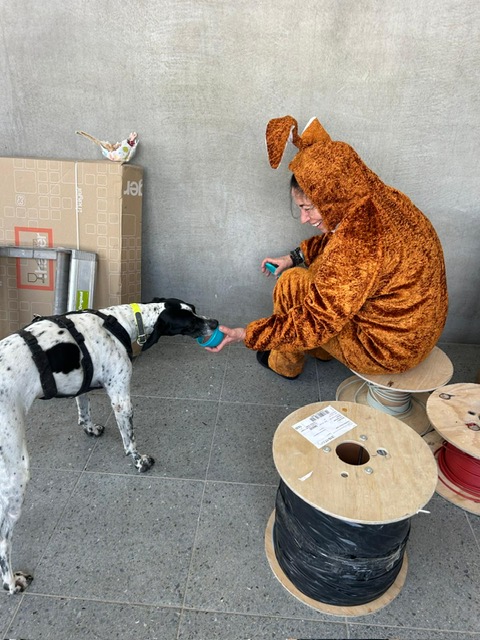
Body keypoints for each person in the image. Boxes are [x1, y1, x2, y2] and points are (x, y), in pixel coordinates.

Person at [207, 115, 448, 380]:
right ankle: (321, 351)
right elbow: (337, 239)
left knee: (291, 284)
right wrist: (294, 256)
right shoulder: (381, 202)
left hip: (386, 350)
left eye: (308, 208)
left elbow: (315, 322)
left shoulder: (358, 242)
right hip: (416, 332)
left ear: (331, 197)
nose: (304, 219)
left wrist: (247, 334)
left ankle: (284, 364)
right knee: (320, 273)